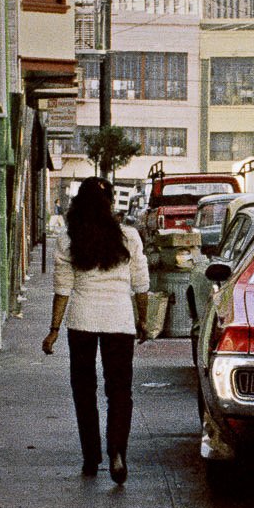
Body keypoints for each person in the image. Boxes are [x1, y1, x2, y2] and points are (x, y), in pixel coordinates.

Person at [44, 177, 149, 485]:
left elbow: (62, 289)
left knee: (84, 390)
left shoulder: (69, 239)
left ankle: (91, 457)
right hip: (119, 322)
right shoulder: (129, 237)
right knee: (119, 391)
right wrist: (143, 320)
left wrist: (53, 330)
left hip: (82, 322)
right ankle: (117, 451)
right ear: (109, 204)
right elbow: (141, 286)